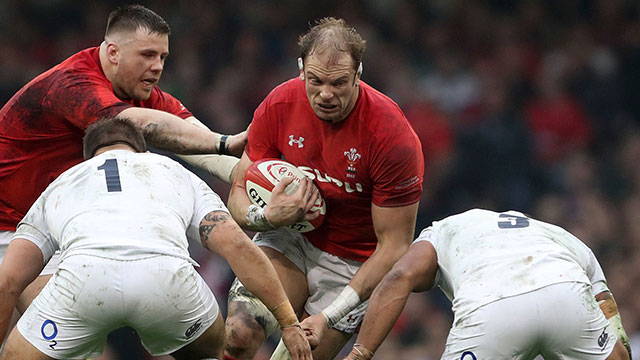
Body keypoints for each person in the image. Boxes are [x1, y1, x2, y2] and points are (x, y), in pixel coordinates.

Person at [0, 4, 244, 316]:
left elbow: (193, 137)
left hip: (45, 229)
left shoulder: (136, 91)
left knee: (60, 332)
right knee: (45, 329)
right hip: (7, 224)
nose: (157, 67)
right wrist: (223, 143)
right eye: (147, 55)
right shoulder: (73, 84)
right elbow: (139, 124)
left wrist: (243, 172)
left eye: (163, 57)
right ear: (114, 53)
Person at [0, 117, 311, 360]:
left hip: (83, 282)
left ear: (87, 160)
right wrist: (288, 323)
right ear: (142, 151)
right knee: (209, 351)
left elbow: (8, 281)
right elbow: (237, 246)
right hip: (166, 281)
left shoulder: (61, 184)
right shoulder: (172, 171)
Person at [223, 17, 424, 360]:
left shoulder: (392, 138)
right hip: (289, 236)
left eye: (339, 83)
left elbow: (394, 246)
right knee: (239, 335)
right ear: (301, 69)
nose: (326, 94)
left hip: (351, 264)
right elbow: (238, 194)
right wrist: (267, 216)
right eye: (315, 81)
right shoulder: (279, 104)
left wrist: (330, 315)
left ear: (359, 73)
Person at [343, 209, 632, 360]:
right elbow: (611, 318)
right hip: (565, 296)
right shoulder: (560, 236)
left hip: (493, 311)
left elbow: (398, 277)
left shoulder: (443, 229)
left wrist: (360, 354)